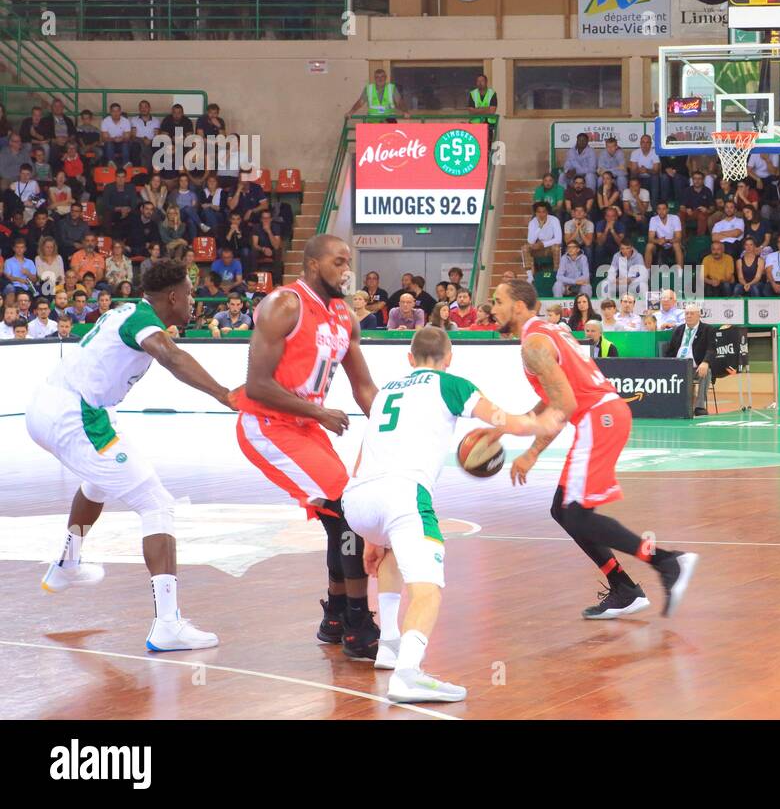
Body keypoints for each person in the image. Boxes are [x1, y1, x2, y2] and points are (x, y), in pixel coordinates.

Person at [25, 259, 235, 649]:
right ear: (172, 297)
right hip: (76, 415)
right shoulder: (142, 321)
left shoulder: (128, 311)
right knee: (156, 503)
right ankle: (167, 625)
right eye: (189, 294)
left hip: (54, 405)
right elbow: (171, 357)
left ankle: (68, 563)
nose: (193, 301)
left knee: (98, 482)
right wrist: (223, 393)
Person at [343, 327, 558, 702]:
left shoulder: (387, 392)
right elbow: (504, 420)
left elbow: (365, 454)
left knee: (394, 546)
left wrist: (369, 535)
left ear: (409, 359)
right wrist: (541, 423)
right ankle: (408, 674)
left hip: (357, 498)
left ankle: (389, 645)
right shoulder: (450, 384)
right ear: (449, 358)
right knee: (428, 590)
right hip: (403, 494)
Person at [492, 279, 699, 619]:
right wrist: (503, 426)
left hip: (597, 418)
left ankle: (666, 561)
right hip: (605, 414)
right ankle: (624, 588)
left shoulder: (534, 345)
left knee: (575, 513)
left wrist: (531, 453)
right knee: (563, 510)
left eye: (498, 300)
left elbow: (566, 403)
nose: (493, 308)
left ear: (517, 306)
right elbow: (552, 400)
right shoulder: (549, 329)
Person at [235, 236, 381, 658]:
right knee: (347, 510)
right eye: (339, 262)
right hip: (268, 424)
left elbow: (365, 388)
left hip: (306, 426)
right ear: (314, 265)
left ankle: (336, 615)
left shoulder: (344, 315)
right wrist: (318, 413)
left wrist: (395, 426)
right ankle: (357, 622)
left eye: (349, 262)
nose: (347, 271)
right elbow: (259, 387)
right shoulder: (283, 305)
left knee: (341, 516)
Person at [666, 303, 716, 416]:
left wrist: (705, 362)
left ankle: (699, 406)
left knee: (706, 371)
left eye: (692, 313)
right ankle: (672, 405)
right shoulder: (678, 330)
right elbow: (670, 351)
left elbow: (712, 349)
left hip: (695, 368)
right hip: (678, 367)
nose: (689, 316)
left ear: (699, 315)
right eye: (687, 313)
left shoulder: (708, 329)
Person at [466, 73, 498, 144]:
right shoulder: (472, 93)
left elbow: (492, 111)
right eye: (478, 81)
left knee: (487, 146)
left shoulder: (492, 93)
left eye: (482, 81)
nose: (480, 83)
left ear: (486, 82)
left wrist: (477, 110)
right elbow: (471, 111)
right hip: (475, 124)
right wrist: (486, 109)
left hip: (489, 124)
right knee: (475, 145)